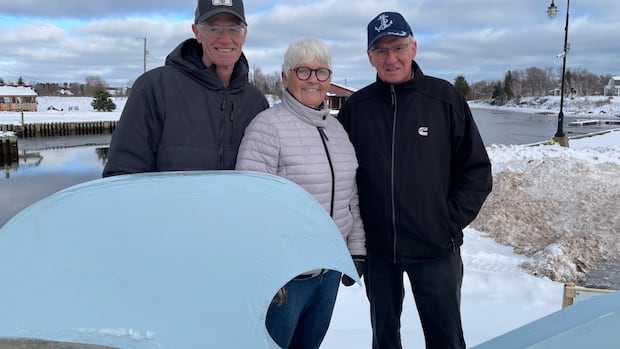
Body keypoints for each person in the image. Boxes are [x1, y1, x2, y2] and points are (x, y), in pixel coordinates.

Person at [338, 11, 492, 349]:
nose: (391, 58)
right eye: (380, 51)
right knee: (384, 337)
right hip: (378, 251)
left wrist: (446, 222)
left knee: (445, 337)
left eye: (398, 47)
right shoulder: (357, 108)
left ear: (414, 48)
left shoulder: (444, 99)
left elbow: (477, 171)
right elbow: (341, 176)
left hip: (435, 250)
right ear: (369, 57)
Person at [235, 38, 366, 349]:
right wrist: (269, 273)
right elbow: (249, 207)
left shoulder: (336, 131)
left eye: (322, 72)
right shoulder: (267, 128)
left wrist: (356, 251)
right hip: (287, 281)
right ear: (285, 77)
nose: (313, 80)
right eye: (303, 71)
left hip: (328, 275)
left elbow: (351, 197)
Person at [102, 0, 268, 177]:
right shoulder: (155, 88)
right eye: (214, 28)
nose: (225, 39)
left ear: (245, 34)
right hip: (168, 205)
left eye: (234, 28)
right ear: (197, 32)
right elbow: (122, 175)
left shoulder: (256, 102)